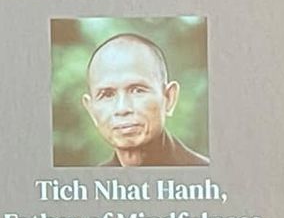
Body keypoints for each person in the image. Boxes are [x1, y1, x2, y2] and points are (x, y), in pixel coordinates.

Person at [80, 33, 208, 167]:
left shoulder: (204, 174)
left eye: (137, 90)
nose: (122, 108)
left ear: (169, 98)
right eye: (107, 95)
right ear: (91, 110)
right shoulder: (94, 179)